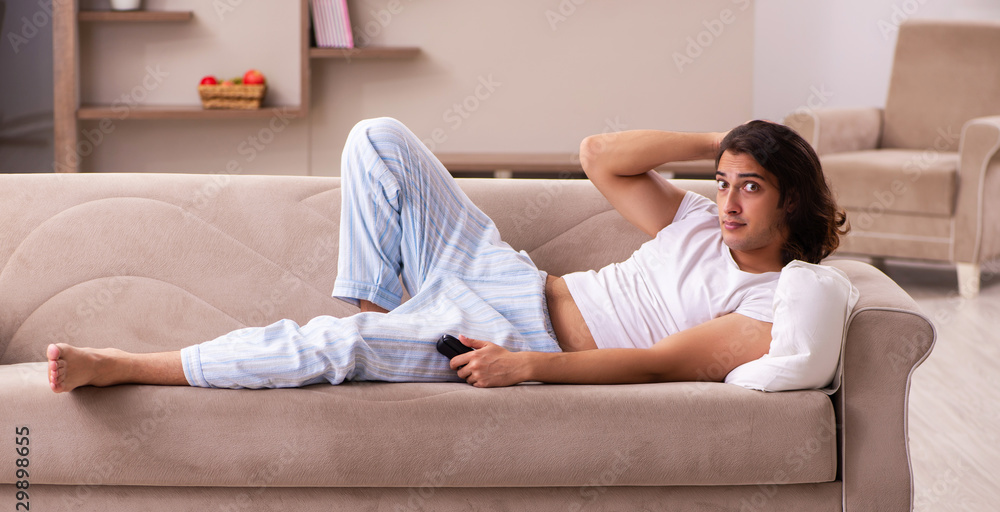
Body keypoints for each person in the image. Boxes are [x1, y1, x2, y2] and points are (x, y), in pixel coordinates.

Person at [46, 117, 846, 393]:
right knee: (379, 141)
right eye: (725, 182)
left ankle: (123, 364)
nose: (730, 201)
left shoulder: (769, 307)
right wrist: (727, 138)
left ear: (792, 201)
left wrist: (524, 367)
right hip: (512, 277)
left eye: (752, 187)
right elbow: (602, 154)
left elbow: (656, 365)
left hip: (526, 338)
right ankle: (380, 309)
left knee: (332, 348)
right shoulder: (700, 222)